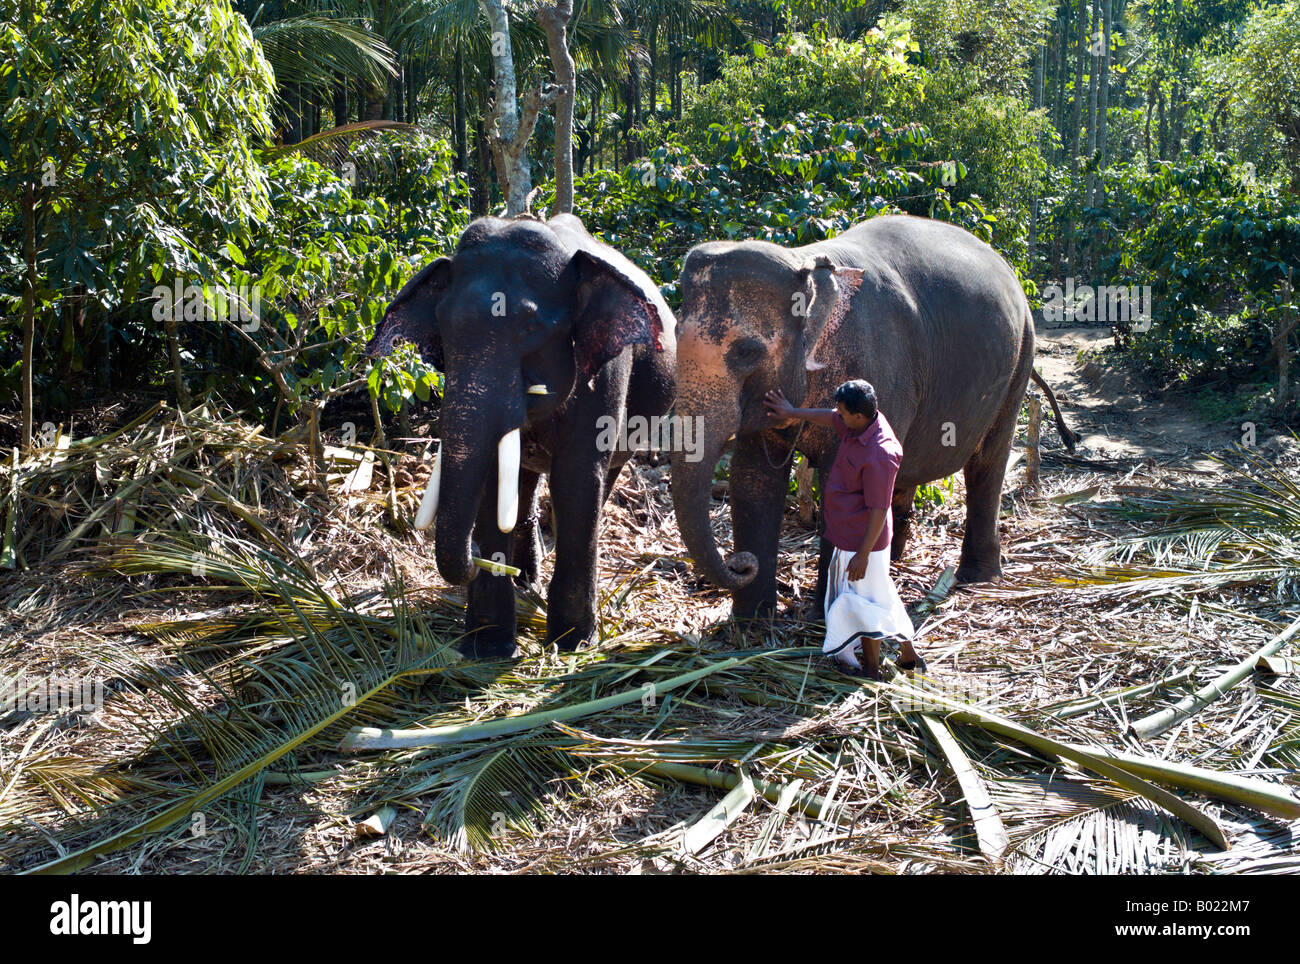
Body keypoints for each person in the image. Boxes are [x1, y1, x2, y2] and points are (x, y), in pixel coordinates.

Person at [764, 380, 925, 679]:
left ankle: (872, 670)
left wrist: (863, 555)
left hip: (865, 541)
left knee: (865, 604)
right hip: (848, 533)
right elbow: (829, 416)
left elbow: (879, 509)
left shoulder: (880, 453)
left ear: (859, 415)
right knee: (880, 596)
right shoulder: (859, 425)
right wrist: (791, 412)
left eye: (843, 411)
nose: (838, 415)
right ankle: (909, 655)